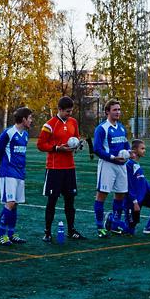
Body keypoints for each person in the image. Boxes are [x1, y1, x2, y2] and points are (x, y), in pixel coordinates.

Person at [36, 97, 86, 242]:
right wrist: (57, 148)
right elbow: (40, 144)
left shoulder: (73, 122)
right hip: (54, 168)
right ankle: (47, 232)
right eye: (67, 112)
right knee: (52, 201)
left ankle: (71, 230)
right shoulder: (49, 125)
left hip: (69, 168)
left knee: (70, 201)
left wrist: (77, 145)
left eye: (71, 111)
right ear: (60, 109)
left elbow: (75, 138)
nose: (69, 114)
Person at [92, 100, 131, 238]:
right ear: (107, 111)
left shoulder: (121, 127)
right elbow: (97, 149)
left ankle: (114, 224)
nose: (118, 112)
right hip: (108, 165)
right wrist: (112, 157)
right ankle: (100, 227)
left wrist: (128, 152)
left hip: (121, 165)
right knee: (102, 194)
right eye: (115, 110)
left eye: (119, 109)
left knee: (120, 194)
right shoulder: (102, 128)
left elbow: (126, 144)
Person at [0, 107, 32, 246]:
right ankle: (1, 235)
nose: (31, 121)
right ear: (23, 119)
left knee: (15, 204)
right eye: (30, 118)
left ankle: (11, 234)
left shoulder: (26, 135)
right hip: (8, 172)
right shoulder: (9, 133)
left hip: (20, 173)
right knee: (10, 203)